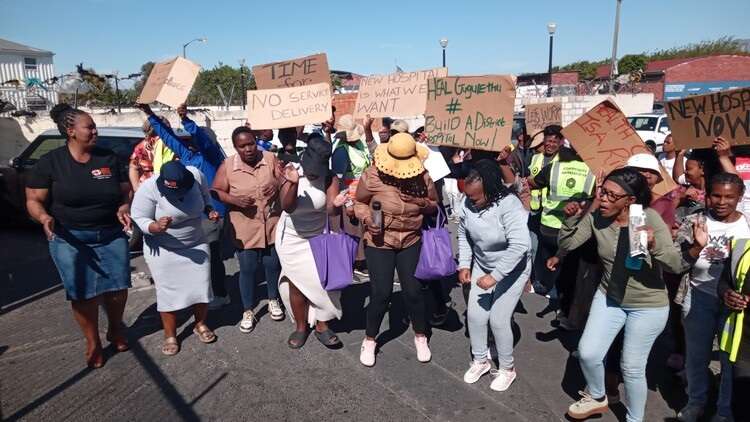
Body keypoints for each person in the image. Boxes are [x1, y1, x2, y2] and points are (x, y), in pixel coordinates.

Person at [557, 168, 687, 422]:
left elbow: (675, 265)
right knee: (588, 353)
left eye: (611, 195)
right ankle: (597, 396)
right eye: (602, 192)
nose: (603, 199)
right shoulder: (598, 217)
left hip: (647, 306)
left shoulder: (646, 219)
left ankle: (634, 419)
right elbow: (568, 245)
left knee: (631, 367)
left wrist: (654, 245)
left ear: (630, 200)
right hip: (610, 295)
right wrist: (570, 219)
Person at [26, 104, 132, 368]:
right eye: (90, 127)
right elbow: (33, 199)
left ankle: (115, 329)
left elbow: (125, 191)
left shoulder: (109, 158)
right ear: (70, 131)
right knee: (83, 294)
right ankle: (92, 340)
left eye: (95, 126)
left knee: (118, 290)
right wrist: (43, 217)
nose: (95, 131)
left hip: (110, 234)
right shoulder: (51, 163)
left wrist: (124, 206)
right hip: (70, 238)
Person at [134, 103, 230, 310]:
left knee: (210, 257)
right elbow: (167, 136)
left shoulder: (212, 156)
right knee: (190, 258)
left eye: (193, 138)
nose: (189, 141)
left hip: (211, 213)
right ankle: (195, 295)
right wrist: (149, 114)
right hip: (188, 214)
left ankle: (219, 294)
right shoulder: (187, 156)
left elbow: (203, 140)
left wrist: (185, 119)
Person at [354, 133, 438, 367]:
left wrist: (419, 201)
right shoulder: (372, 175)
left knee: (413, 291)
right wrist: (367, 218)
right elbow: (359, 202)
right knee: (381, 293)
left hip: (411, 238)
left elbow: (433, 205)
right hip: (380, 240)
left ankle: (420, 335)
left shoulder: (422, 177)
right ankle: (370, 339)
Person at [673, 173, 749, 422]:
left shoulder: (747, 225)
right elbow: (675, 263)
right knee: (696, 357)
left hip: (737, 306)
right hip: (698, 297)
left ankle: (724, 410)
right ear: (707, 195)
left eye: (729, 196)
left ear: (739, 198)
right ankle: (695, 402)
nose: (721, 201)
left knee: (730, 362)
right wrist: (695, 247)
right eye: (716, 195)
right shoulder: (694, 220)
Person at [457, 160, 531, 392]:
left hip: (512, 268)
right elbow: (464, 234)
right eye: (468, 196)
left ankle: (507, 369)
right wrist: (464, 264)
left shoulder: (509, 205)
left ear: (490, 189)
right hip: (482, 264)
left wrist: (496, 275)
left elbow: (520, 245)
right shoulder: (466, 202)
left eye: (476, 198)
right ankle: (480, 360)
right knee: (476, 316)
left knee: (498, 319)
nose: (471, 201)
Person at [131, 161, 219, 355]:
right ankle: (170, 334)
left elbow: (206, 198)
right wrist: (155, 226)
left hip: (196, 243)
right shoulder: (149, 188)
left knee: (201, 286)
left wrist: (209, 211)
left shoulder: (196, 175)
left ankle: (200, 324)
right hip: (164, 249)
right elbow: (139, 217)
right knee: (168, 292)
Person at [276, 135, 348, 349]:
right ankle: (300, 326)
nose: (313, 172)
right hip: (290, 238)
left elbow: (330, 211)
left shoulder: (329, 178)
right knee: (297, 285)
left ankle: (322, 325)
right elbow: (287, 206)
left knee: (323, 282)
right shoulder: (290, 170)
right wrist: (292, 183)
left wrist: (336, 203)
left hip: (317, 237)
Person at [211, 126, 284, 332]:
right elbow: (216, 191)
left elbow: (284, 177)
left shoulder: (269, 158)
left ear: (256, 141)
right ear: (236, 147)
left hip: (271, 223)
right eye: (242, 146)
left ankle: (272, 299)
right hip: (245, 227)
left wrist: (277, 184)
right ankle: (248, 309)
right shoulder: (227, 166)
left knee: (272, 264)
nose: (248, 149)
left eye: (251, 143)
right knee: (248, 268)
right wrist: (234, 200)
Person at [332, 114, 372, 276]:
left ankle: (361, 262)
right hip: (350, 196)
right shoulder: (341, 152)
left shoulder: (359, 146)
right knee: (352, 231)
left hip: (363, 195)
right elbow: (338, 181)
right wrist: (347, 204)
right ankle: (352, 265)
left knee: (363, 229)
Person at [718, 236, 750, 421]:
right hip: (743, 347)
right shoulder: (742, 246)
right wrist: (727, 294)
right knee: (742, 407)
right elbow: (724, 282)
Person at [129, 116, 176, 191]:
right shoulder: (141, 147)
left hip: (167, 188)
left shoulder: (172, 145)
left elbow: (133, 167)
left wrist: (137, 188)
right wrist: (136, 188)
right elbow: (133, 166)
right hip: (150, 189)